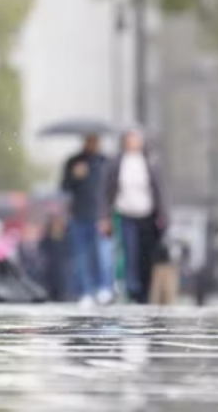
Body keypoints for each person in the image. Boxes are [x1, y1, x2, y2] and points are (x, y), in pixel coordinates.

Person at [100, 129, 169, 304]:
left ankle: (145, 290)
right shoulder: (116, 163)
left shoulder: (149, 162)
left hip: (147, 215)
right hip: (126, 214)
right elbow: (107, 192)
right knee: (129, 252)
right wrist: (104, 217)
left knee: (146, 254)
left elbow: (160, 190)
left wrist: (164, 215)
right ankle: (133, 288)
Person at [61, 135, 113, 305]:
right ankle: (85, 291)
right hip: (79, 215)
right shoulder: (74, 161)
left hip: (100, 216)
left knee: (103, 255)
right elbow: (64, 186)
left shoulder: (105, 162)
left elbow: (111, 191)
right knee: (80, 256)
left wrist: (107, 216)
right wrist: (75, 175)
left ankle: (104, 288)